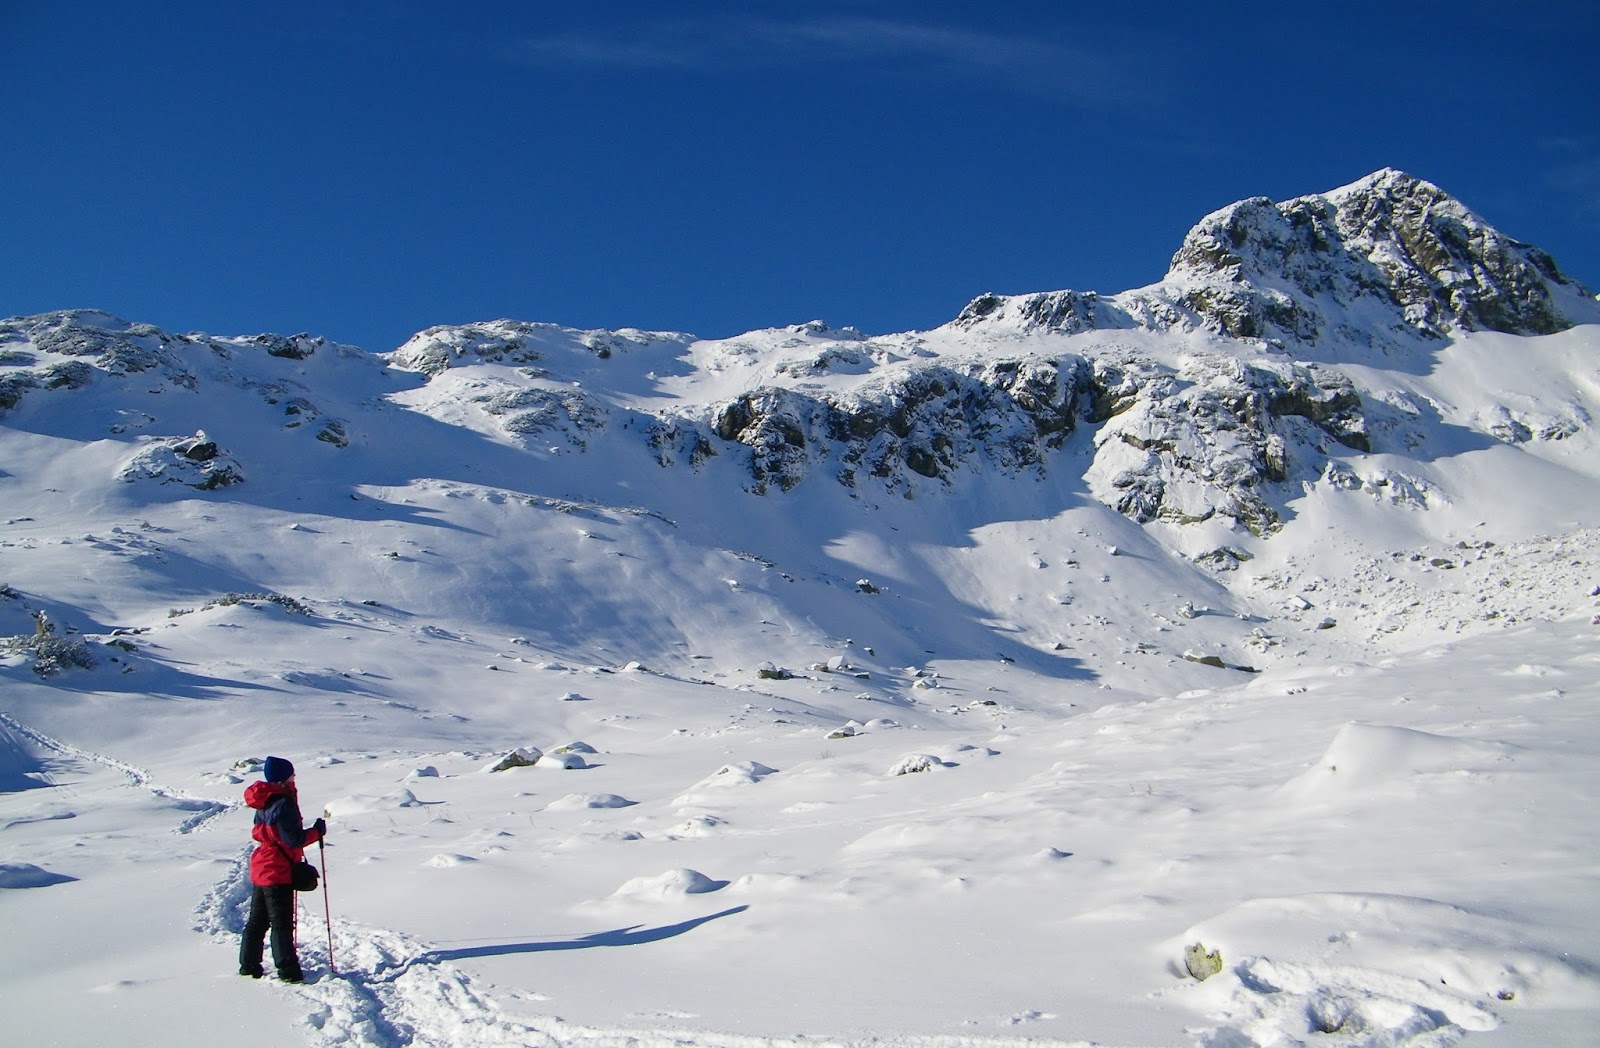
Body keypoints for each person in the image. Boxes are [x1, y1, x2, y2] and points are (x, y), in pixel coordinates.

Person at [238, 756, 325, 982]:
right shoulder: (284, 802)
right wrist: (316, 832)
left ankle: (248, 965)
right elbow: (293, 839)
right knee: (281, 923)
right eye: (292, 774)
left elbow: (272, 834)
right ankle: (289, 972)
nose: (294, 777)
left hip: (262, 867)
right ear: (285, 777)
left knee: (257, 921)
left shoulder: (264, 800)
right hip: (278, 869)